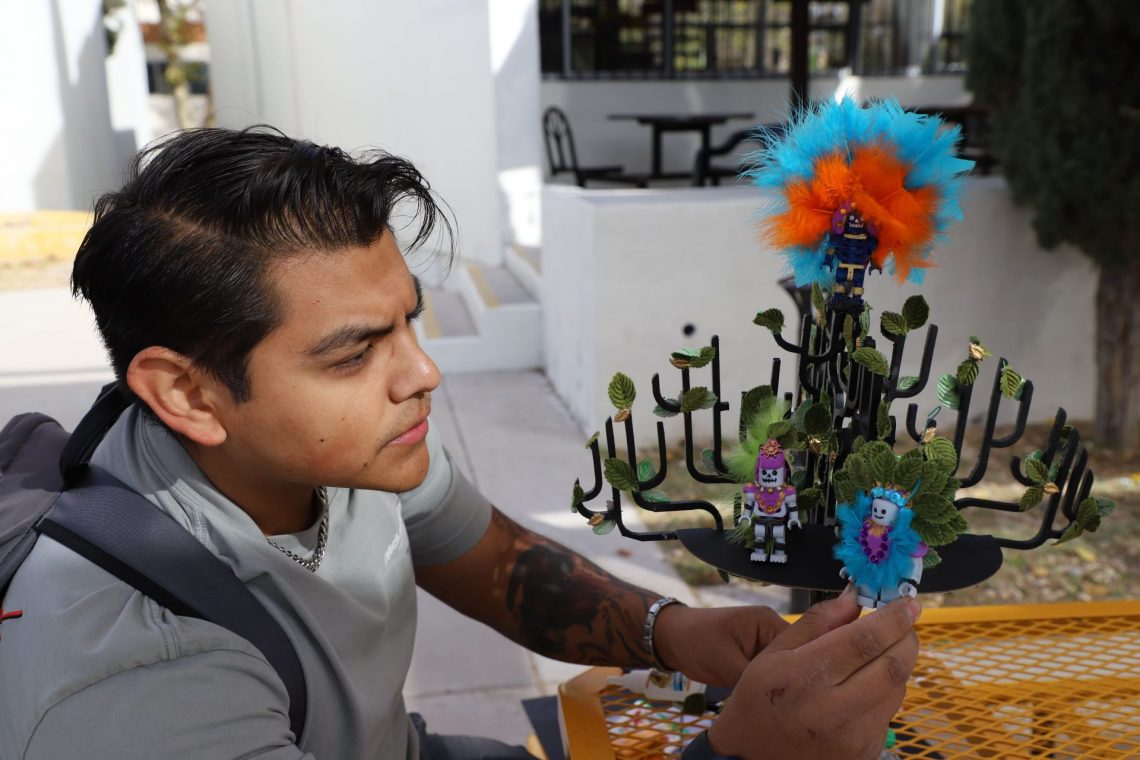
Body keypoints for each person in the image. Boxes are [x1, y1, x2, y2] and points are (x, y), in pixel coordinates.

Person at [0, 127, 920, 760]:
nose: (422, 372)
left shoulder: (336, 449)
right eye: (354, 354)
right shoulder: (139, 681)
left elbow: (489, 562)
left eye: (409, 320)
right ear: (188, 394)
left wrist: (673, 632)